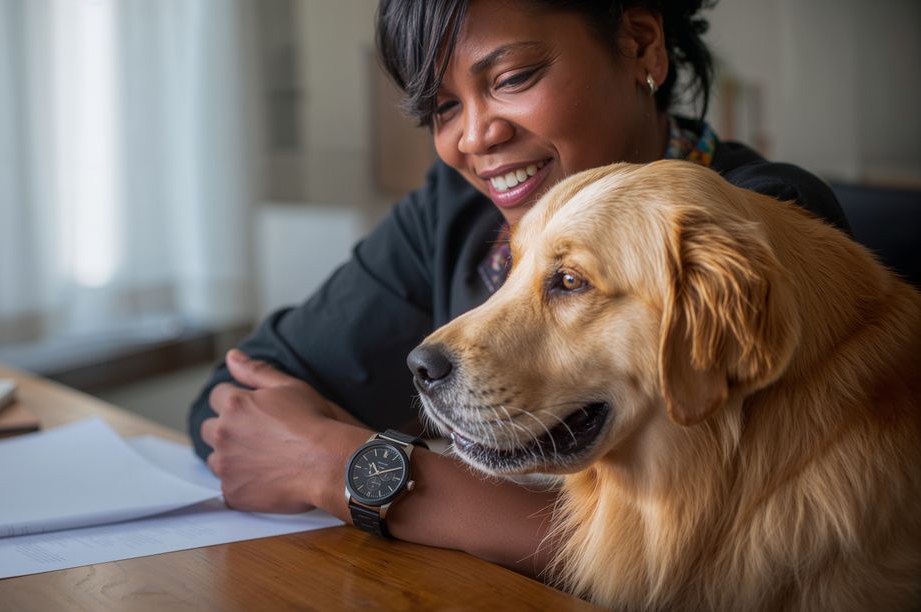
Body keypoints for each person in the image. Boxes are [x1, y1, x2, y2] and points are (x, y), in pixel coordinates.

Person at [190, 0, 849, 579]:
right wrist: (316, 449)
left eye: (511, 78)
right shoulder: (456, 208)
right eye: (444, 108)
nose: (475, 136)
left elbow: (722, 556)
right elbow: (237, 403)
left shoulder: (762, 227)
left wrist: (339, 464)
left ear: (641, 43)